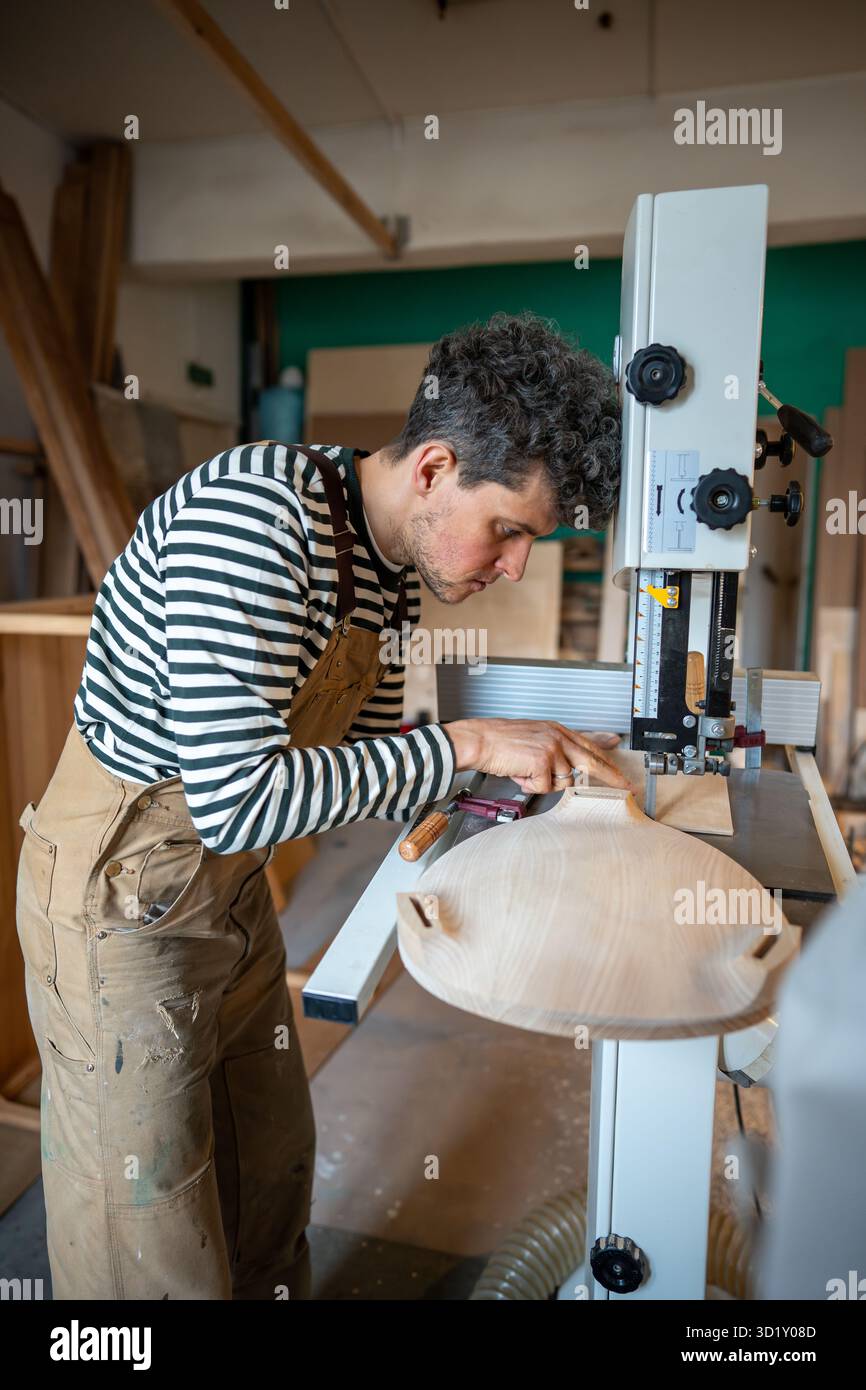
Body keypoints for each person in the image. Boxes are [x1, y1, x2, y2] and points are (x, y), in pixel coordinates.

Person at [16, 311, 627, 1300]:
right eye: (510, 529)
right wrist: (467, 742)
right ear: (433, 470)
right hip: (121, 900)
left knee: (267, 1173)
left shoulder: (390, 570)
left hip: (226, 892)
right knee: (151, 1234)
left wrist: (517, 798)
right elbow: (239, 798)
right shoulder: (257, 526)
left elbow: (363, 763)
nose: (515, 562)